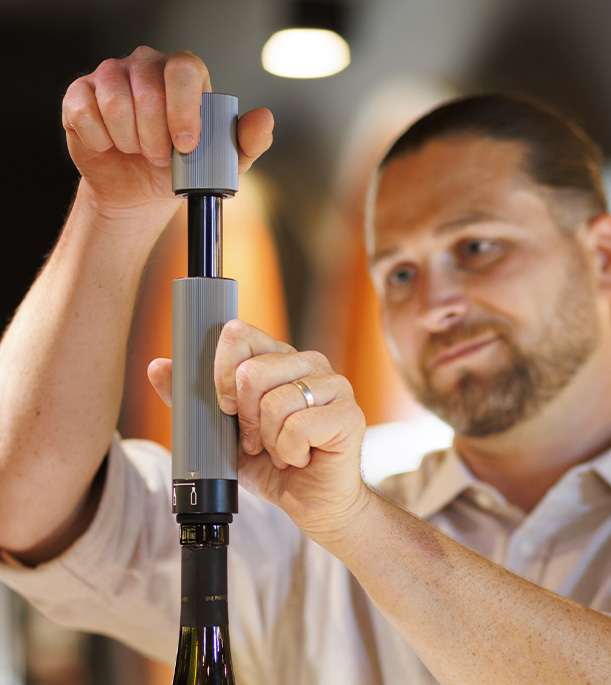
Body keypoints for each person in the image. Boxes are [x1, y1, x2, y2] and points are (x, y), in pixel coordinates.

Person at [0, 45, 610, 684]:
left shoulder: (351, 517)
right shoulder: (311, 519)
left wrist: (358, 525)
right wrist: (113, 211)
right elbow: (25, 506)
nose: (435, 306)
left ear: (600, 255)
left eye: (477, 246)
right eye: (400, 274)